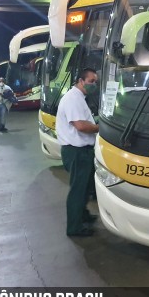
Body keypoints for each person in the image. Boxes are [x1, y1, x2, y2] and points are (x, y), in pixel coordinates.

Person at [56, 68, 100, 237]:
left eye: (95, 82)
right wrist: (100, 127)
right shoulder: (72, 99)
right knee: (78, 190)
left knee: (86, 187)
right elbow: (81, 126)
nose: (93, 85)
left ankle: (83, 215)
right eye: (91, 81)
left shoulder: (80, 98)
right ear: (81, 81)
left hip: (83, 151)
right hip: (76, 152)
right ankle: (74, 227)